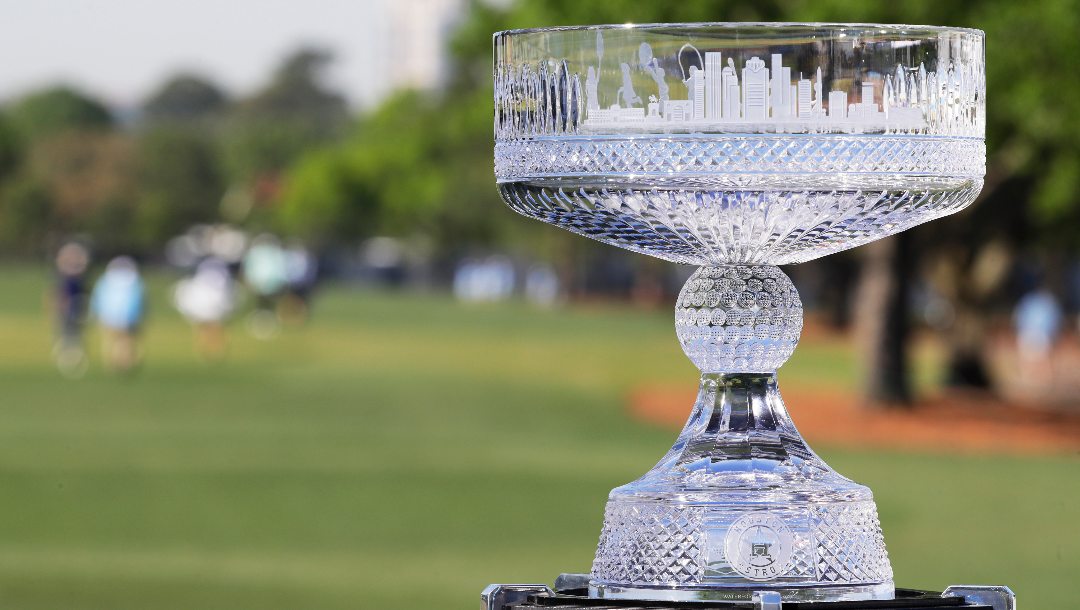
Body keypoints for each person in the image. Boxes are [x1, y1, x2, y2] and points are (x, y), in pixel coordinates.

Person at [90, 256, 145, 373]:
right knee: (125, 340)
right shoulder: (133, 281)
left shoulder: (105, 280)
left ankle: (112, 364)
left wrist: (96, 313)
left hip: (109, 315)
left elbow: (98, 298)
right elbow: (139, 299)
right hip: (128, 315)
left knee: (111, 340)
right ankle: (124, 363)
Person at [174, 258, 237, 360]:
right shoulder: (217, 268)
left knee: (209, 326)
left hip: (209, 302)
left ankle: (212, 350)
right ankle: (212, 351)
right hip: (212, 302)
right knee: (210, 326)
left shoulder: (206, 267)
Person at [51, 242, 91, 377]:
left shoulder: (80, 279)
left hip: (78, 308)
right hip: (67, 311)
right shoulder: (63, 278)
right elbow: (59, 295)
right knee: (66, 335)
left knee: (77, 335)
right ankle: (65, 357)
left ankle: (75, 357)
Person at [1013, 286, 1063, 383]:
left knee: (1039, 353)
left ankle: (1043, 375)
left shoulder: (1047, 305)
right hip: (1031, 333)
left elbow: (1054, 322)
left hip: (1038, 334)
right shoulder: (1031, 302)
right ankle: (1031, 374)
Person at [242, 234, 287, 339]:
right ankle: (262, 322)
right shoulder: (264, 252)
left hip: (266, 282)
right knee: (262, 306)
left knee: (265, 306)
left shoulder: (266, 252)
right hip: (265, 282)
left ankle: (266, 323)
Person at [280, 240, 318, 324]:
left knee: (299, 301)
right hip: (295, 281)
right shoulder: (298, 257)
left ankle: (299, 319)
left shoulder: (302, 257)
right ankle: (286, 317)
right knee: (290, 300)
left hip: (299, 281)